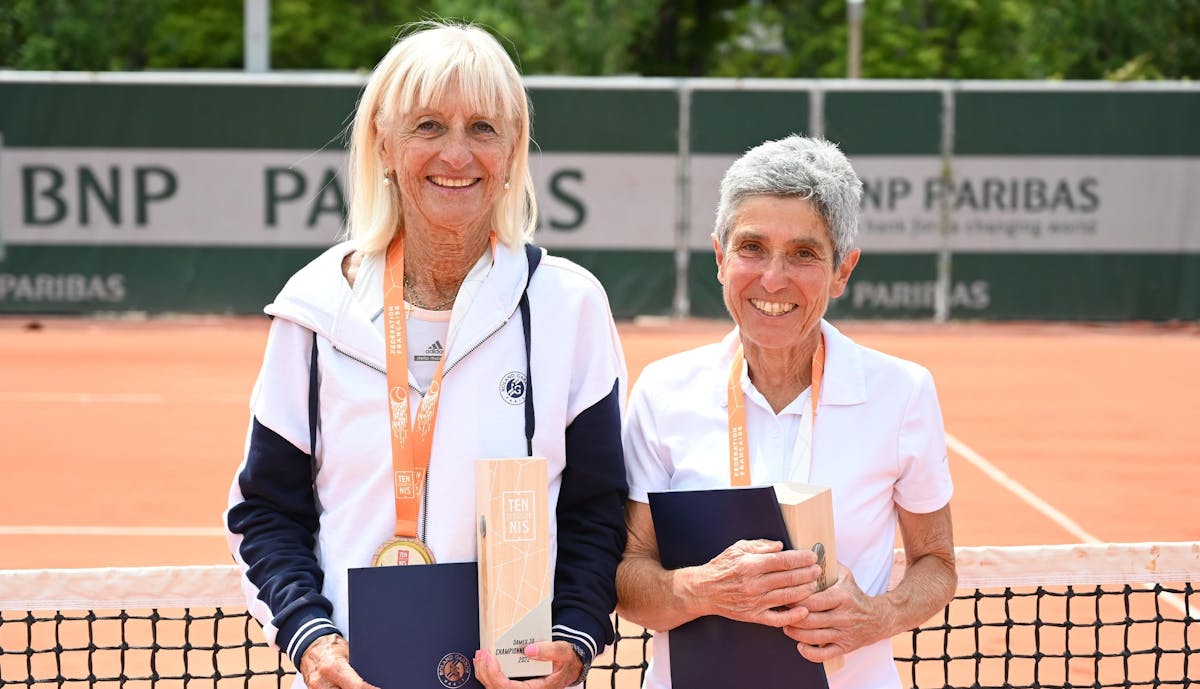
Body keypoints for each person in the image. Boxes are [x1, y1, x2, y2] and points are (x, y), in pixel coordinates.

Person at [224, 20, 628, 689]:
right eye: (429, 126)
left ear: (514, 151)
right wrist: (312, 639)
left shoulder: (570, 305)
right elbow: (266, 510)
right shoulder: (316, 307)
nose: (458, 154)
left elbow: (598, 507)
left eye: (483, 128)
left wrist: (572, 637)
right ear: (384, 143)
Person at [616, 135, 956, 689]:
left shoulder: (903, 393)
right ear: (721, 258)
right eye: (752, 247)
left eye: (803, 254)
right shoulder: (662, 391)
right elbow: (630, 575)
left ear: (842, 271)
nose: (773, 278)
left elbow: (937, 563)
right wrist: (704, 589)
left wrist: (879, 616)